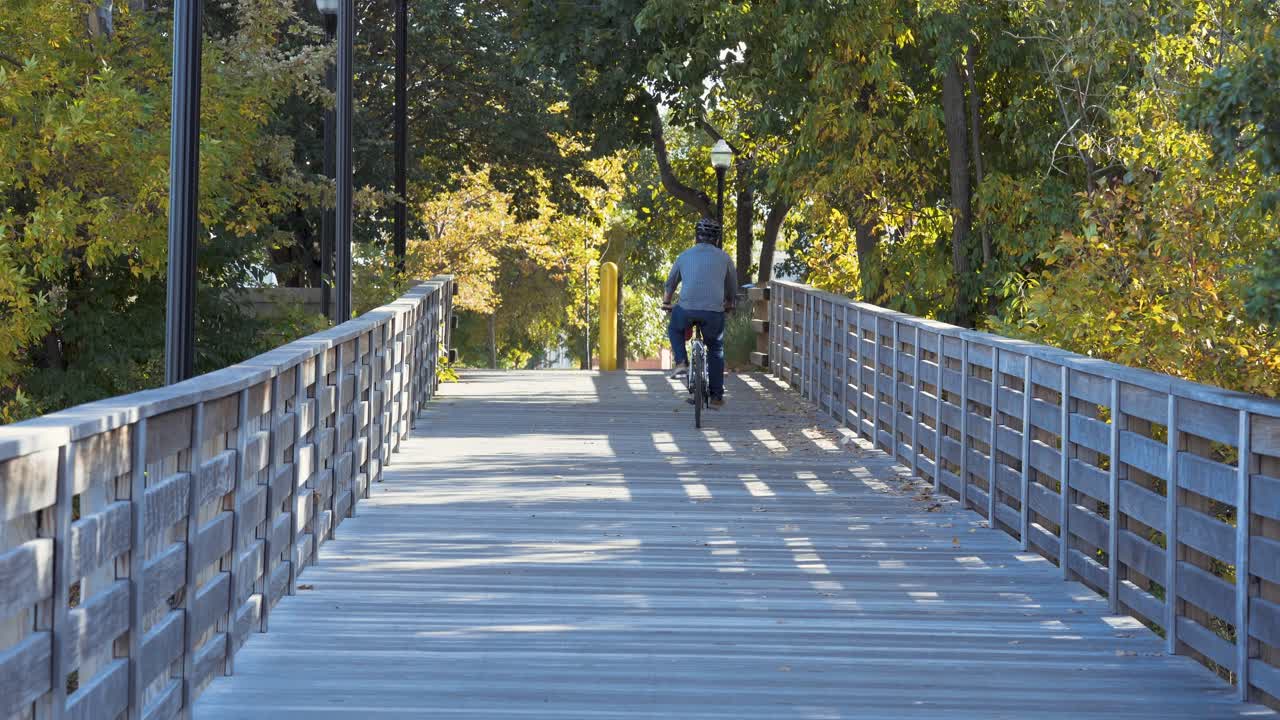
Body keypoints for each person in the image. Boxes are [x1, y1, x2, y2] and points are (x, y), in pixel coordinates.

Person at [662, 217, 737, 408]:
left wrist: (666, 302)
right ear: (717, 239)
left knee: (675, 329)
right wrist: (729, 303)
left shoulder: (684, 256)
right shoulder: (724, 258)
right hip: (713, 312)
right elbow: (731, 287)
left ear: (696, 236)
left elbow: (671, 283)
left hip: (686, 309)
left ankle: (681, 361)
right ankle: (716, 396)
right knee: (715, 349)